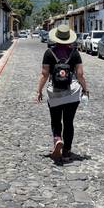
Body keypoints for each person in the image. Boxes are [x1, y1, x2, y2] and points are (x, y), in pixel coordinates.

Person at [36, 24, 88, 160]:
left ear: (56, 38)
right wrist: (86, 89)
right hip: (72, 93)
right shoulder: (75, 53)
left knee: (55, 120)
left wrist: (39, 91)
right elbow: (80, 74)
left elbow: (44, 74)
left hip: (55, 93)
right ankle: (66, 152)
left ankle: (57, 139)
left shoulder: (49, 53)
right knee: (69, 122)